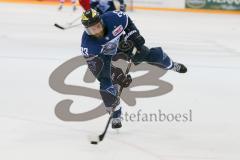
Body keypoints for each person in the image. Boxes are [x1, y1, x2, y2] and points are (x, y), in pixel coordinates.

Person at [80, 9, 187, 129]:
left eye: (98, 26)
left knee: (148, 54)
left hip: (122, 45)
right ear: (87, 30)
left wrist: (134, 35)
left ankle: (171, 65)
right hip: (104, 58)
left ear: (102, 22)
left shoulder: (114, 18)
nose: (97, 31)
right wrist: (116, 75)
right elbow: (99, 69)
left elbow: (128, 24)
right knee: (106, 84)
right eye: (92, 29)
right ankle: (115, 114)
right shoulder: (88, 45)